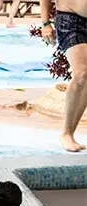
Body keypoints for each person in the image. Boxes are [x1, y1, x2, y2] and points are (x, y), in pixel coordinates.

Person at [41, 0, 87, 152]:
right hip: (71, 20)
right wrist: (45, 23)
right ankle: (66, 133)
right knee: (81, 74)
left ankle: (70, 133)